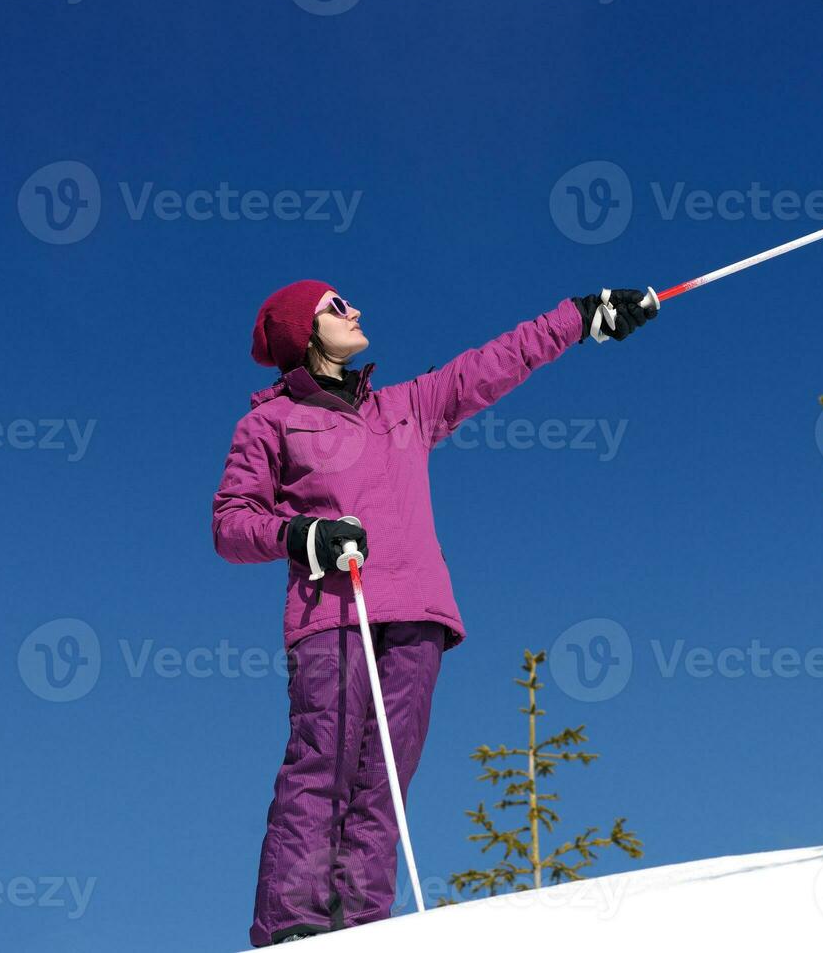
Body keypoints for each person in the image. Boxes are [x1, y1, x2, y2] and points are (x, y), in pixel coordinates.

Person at [211, 280, 658, 946]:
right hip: (334, 613)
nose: (354, 308)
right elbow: (231, 523)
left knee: (385, 780)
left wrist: (580, 316)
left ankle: (361, 931)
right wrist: (303, 534)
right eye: (336, 306)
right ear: (303, 331)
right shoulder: (269, 423)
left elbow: (494, 363)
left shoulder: (406, 408)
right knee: (323, 764)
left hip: (415, 613)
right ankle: (293, 930)